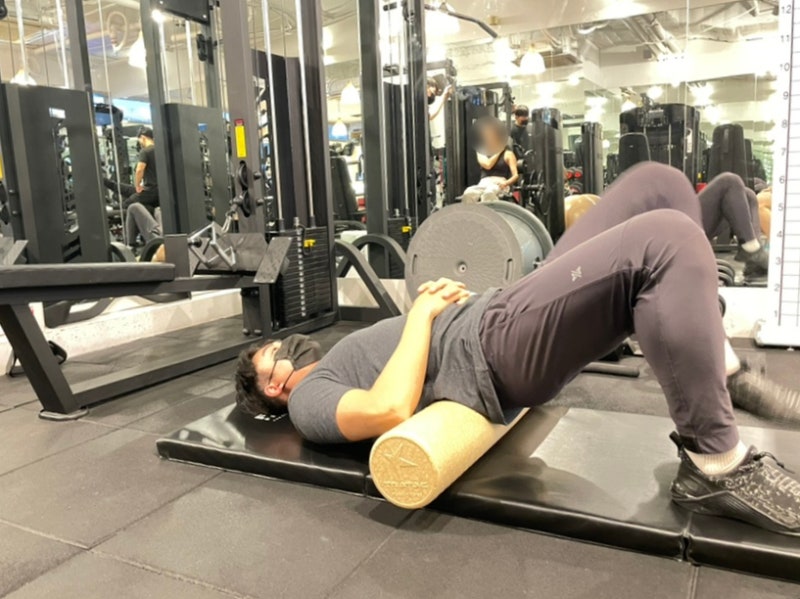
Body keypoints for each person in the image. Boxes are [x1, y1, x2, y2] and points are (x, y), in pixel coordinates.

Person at [235, 162, 800, 537]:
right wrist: (422, 316)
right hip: (493, 349)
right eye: (275, 357)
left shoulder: (331, 357)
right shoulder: (307, 403)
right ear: (274, 388)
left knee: (662, 185)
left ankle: (710, 355)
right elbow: (387, 410)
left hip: (501, 308)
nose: (288, 348)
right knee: (666, 238)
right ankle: (715, 461)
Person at [698, 173, 768, 280]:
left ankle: (754, 259)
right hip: (674, 226)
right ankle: (753, 251)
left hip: (679, 218)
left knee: (748, 195)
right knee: (729, 181)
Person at [462, 117, 519, 204]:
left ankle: (490, 212)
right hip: (484, 183)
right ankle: (470, 213)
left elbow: (515, 176)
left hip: (499, 182)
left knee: (488, 193)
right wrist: (500, 150)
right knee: (468, 193)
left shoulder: (508, 154)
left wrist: (506, 183)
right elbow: (487, 165)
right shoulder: (481, 151)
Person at [123, 126, 160, 246]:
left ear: (143, 138)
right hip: (161, 192)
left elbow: (139, 170)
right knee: (149, 208)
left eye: (139, 140)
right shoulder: (161, 150)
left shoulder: (145, 151)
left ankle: (131, 243)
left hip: (151, 190)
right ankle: (148, 236)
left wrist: (137, 185)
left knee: (127, 204)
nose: (140, 142)